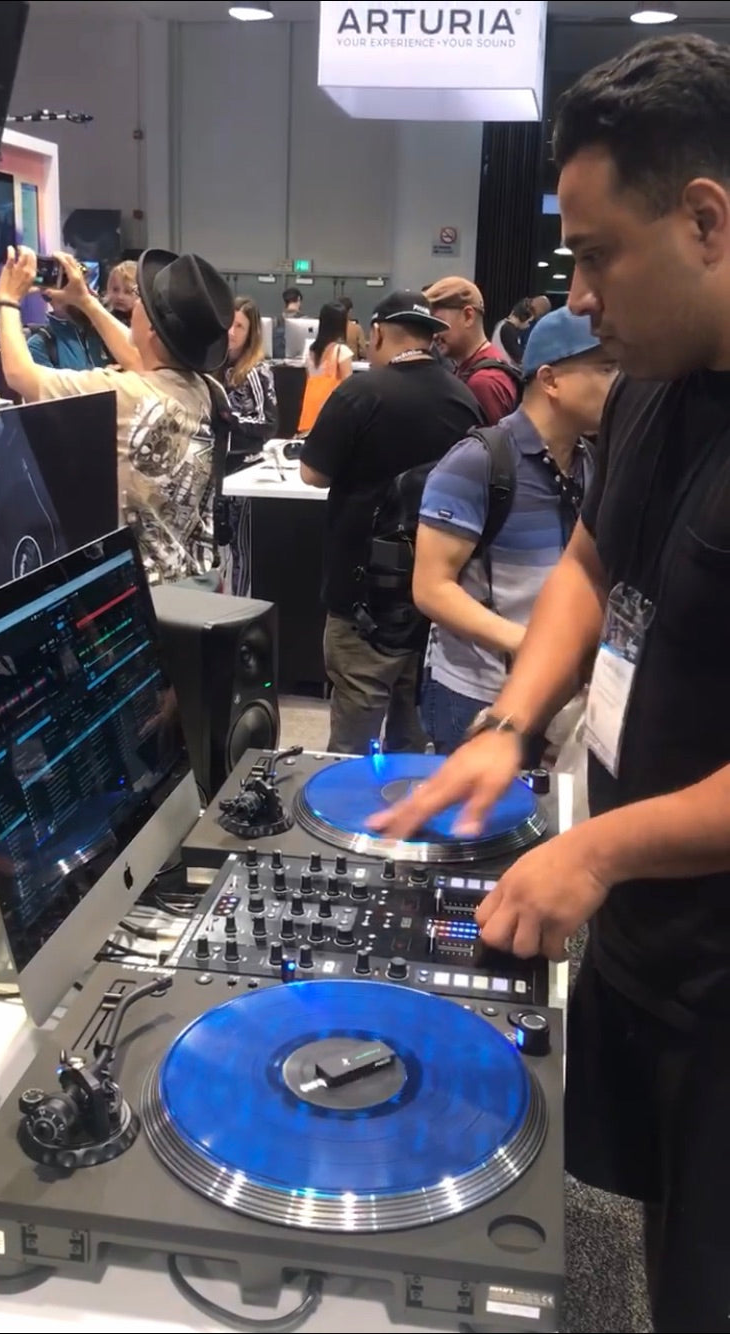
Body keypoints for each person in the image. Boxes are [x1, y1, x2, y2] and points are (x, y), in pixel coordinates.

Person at [370, 33, 730, 1334]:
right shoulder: (647, 386)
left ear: (704, 219)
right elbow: (590, 557)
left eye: (593, 254)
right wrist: (509, 725)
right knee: (605, 1220)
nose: (573, 291)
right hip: (639, 915)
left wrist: (605, 846)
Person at [416, 307, 614, 754]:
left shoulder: (589, 463)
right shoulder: (478, 462)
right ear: (550, 380)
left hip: (560, 690)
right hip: (476, 692)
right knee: (476, 819)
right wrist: (531, 645)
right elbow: (431, 588)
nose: (619, 383)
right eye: (605, 368)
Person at [300, 290, 481, 755]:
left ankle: (345, 821)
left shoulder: (360, 392)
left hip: (362, 604)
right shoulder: (463, 398)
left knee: (350, 744)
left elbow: (312, 473)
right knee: (412, 739)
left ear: (377, 332)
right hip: (431, 599)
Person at [0, 244, 233, 585]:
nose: (133, 304)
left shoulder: (122, 394)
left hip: (146, 597)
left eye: (141, 300)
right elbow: (145, 358)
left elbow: (20, 373)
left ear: (151, 327)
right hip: (197, 583)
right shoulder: (210, 391)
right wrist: (86, 301)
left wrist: (7, 299)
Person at [223, 295, 278, 596]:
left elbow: (267, 424)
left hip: (242, 474)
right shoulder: (213, 366)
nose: (231, 332)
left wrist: (228, 422)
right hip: (219, 470)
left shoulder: (256, 371)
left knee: (242, 552)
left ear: (251, 332)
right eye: (228, 324)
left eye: (239, 326)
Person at [425, 276, 519, 423]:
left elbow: (493, 445)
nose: (434, 335)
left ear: (468, 316)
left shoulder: (484, 382)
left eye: (439, 323)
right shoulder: (471, 368)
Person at [27, 285, 111, 372]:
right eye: (66, 287)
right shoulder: (38, 346)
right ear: (48, 295)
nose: (76, 294)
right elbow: (51, 385)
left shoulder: (103, 332)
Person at [306, 302, 353, 380]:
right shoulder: (341, 351)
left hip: (312, 391)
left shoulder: (311, 350)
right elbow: (347, 384)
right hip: (333, 391)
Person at [491, 298, 534, 365]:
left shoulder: (501, 324)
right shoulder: (508, 330)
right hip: (505, 368)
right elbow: (519, 357)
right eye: (529, 322)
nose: (528, 325)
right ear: (523, 317)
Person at [272, 285, 303, 358]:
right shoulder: (305, 321)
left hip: (278, 359)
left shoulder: (275, 321)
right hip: (297, 359)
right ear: (298, 299)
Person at [105, 259, 138, 325]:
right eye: (115, 289)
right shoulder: (103, 312)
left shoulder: (143, 324)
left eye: (128, 292)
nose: (120, 297)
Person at [341, 295, 367, 360]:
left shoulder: (330, 327)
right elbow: (363, 351)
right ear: (350, 311)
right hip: (352, 365)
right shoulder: (356, 328)